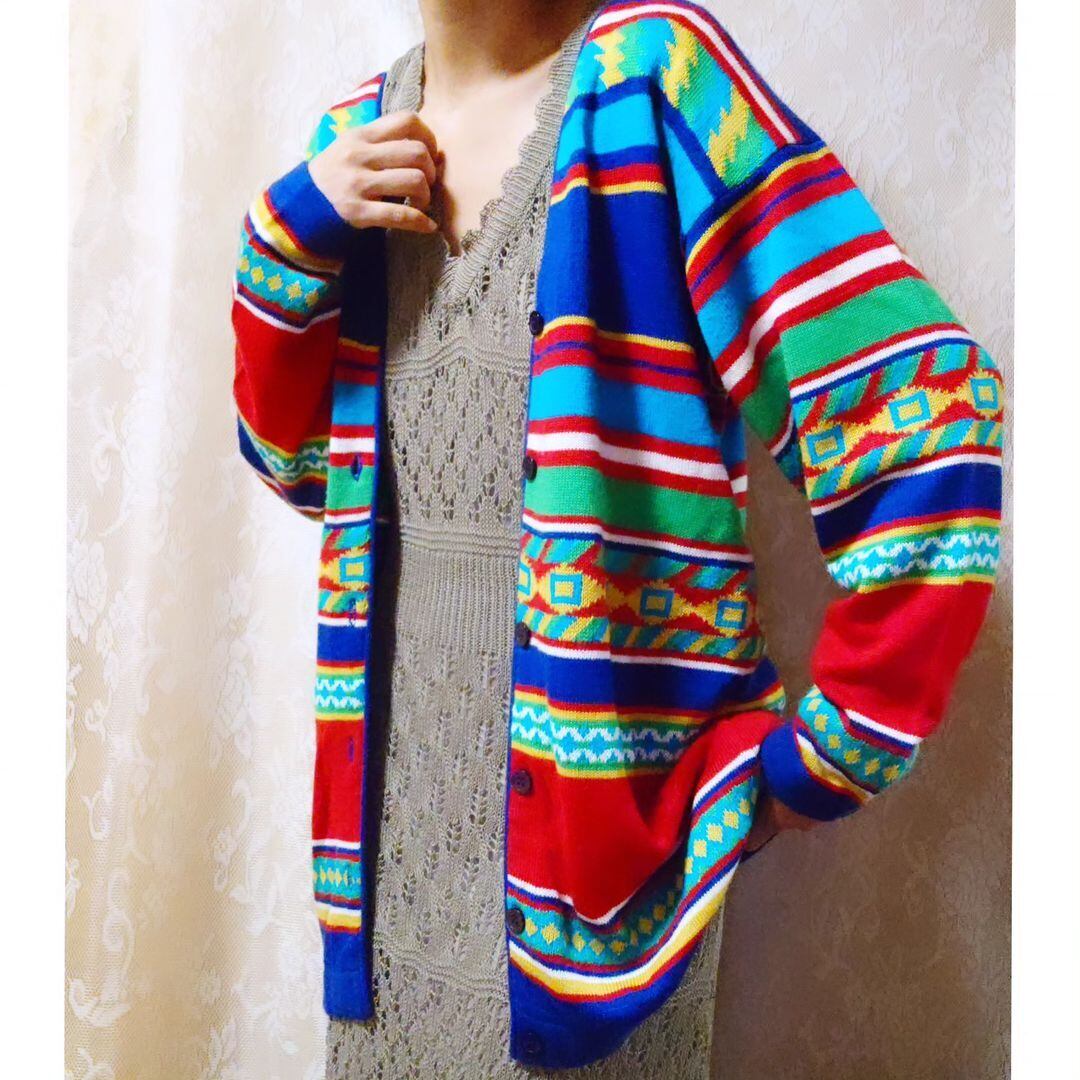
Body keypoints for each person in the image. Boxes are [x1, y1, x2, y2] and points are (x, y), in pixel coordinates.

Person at [230, 0, 1004, 1075]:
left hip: (604, 902)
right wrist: (285, 240)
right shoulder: (354, 137)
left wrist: (826, 756)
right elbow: (307, 468)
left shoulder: (656, 81)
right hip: (386, 889)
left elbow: (927, 415)